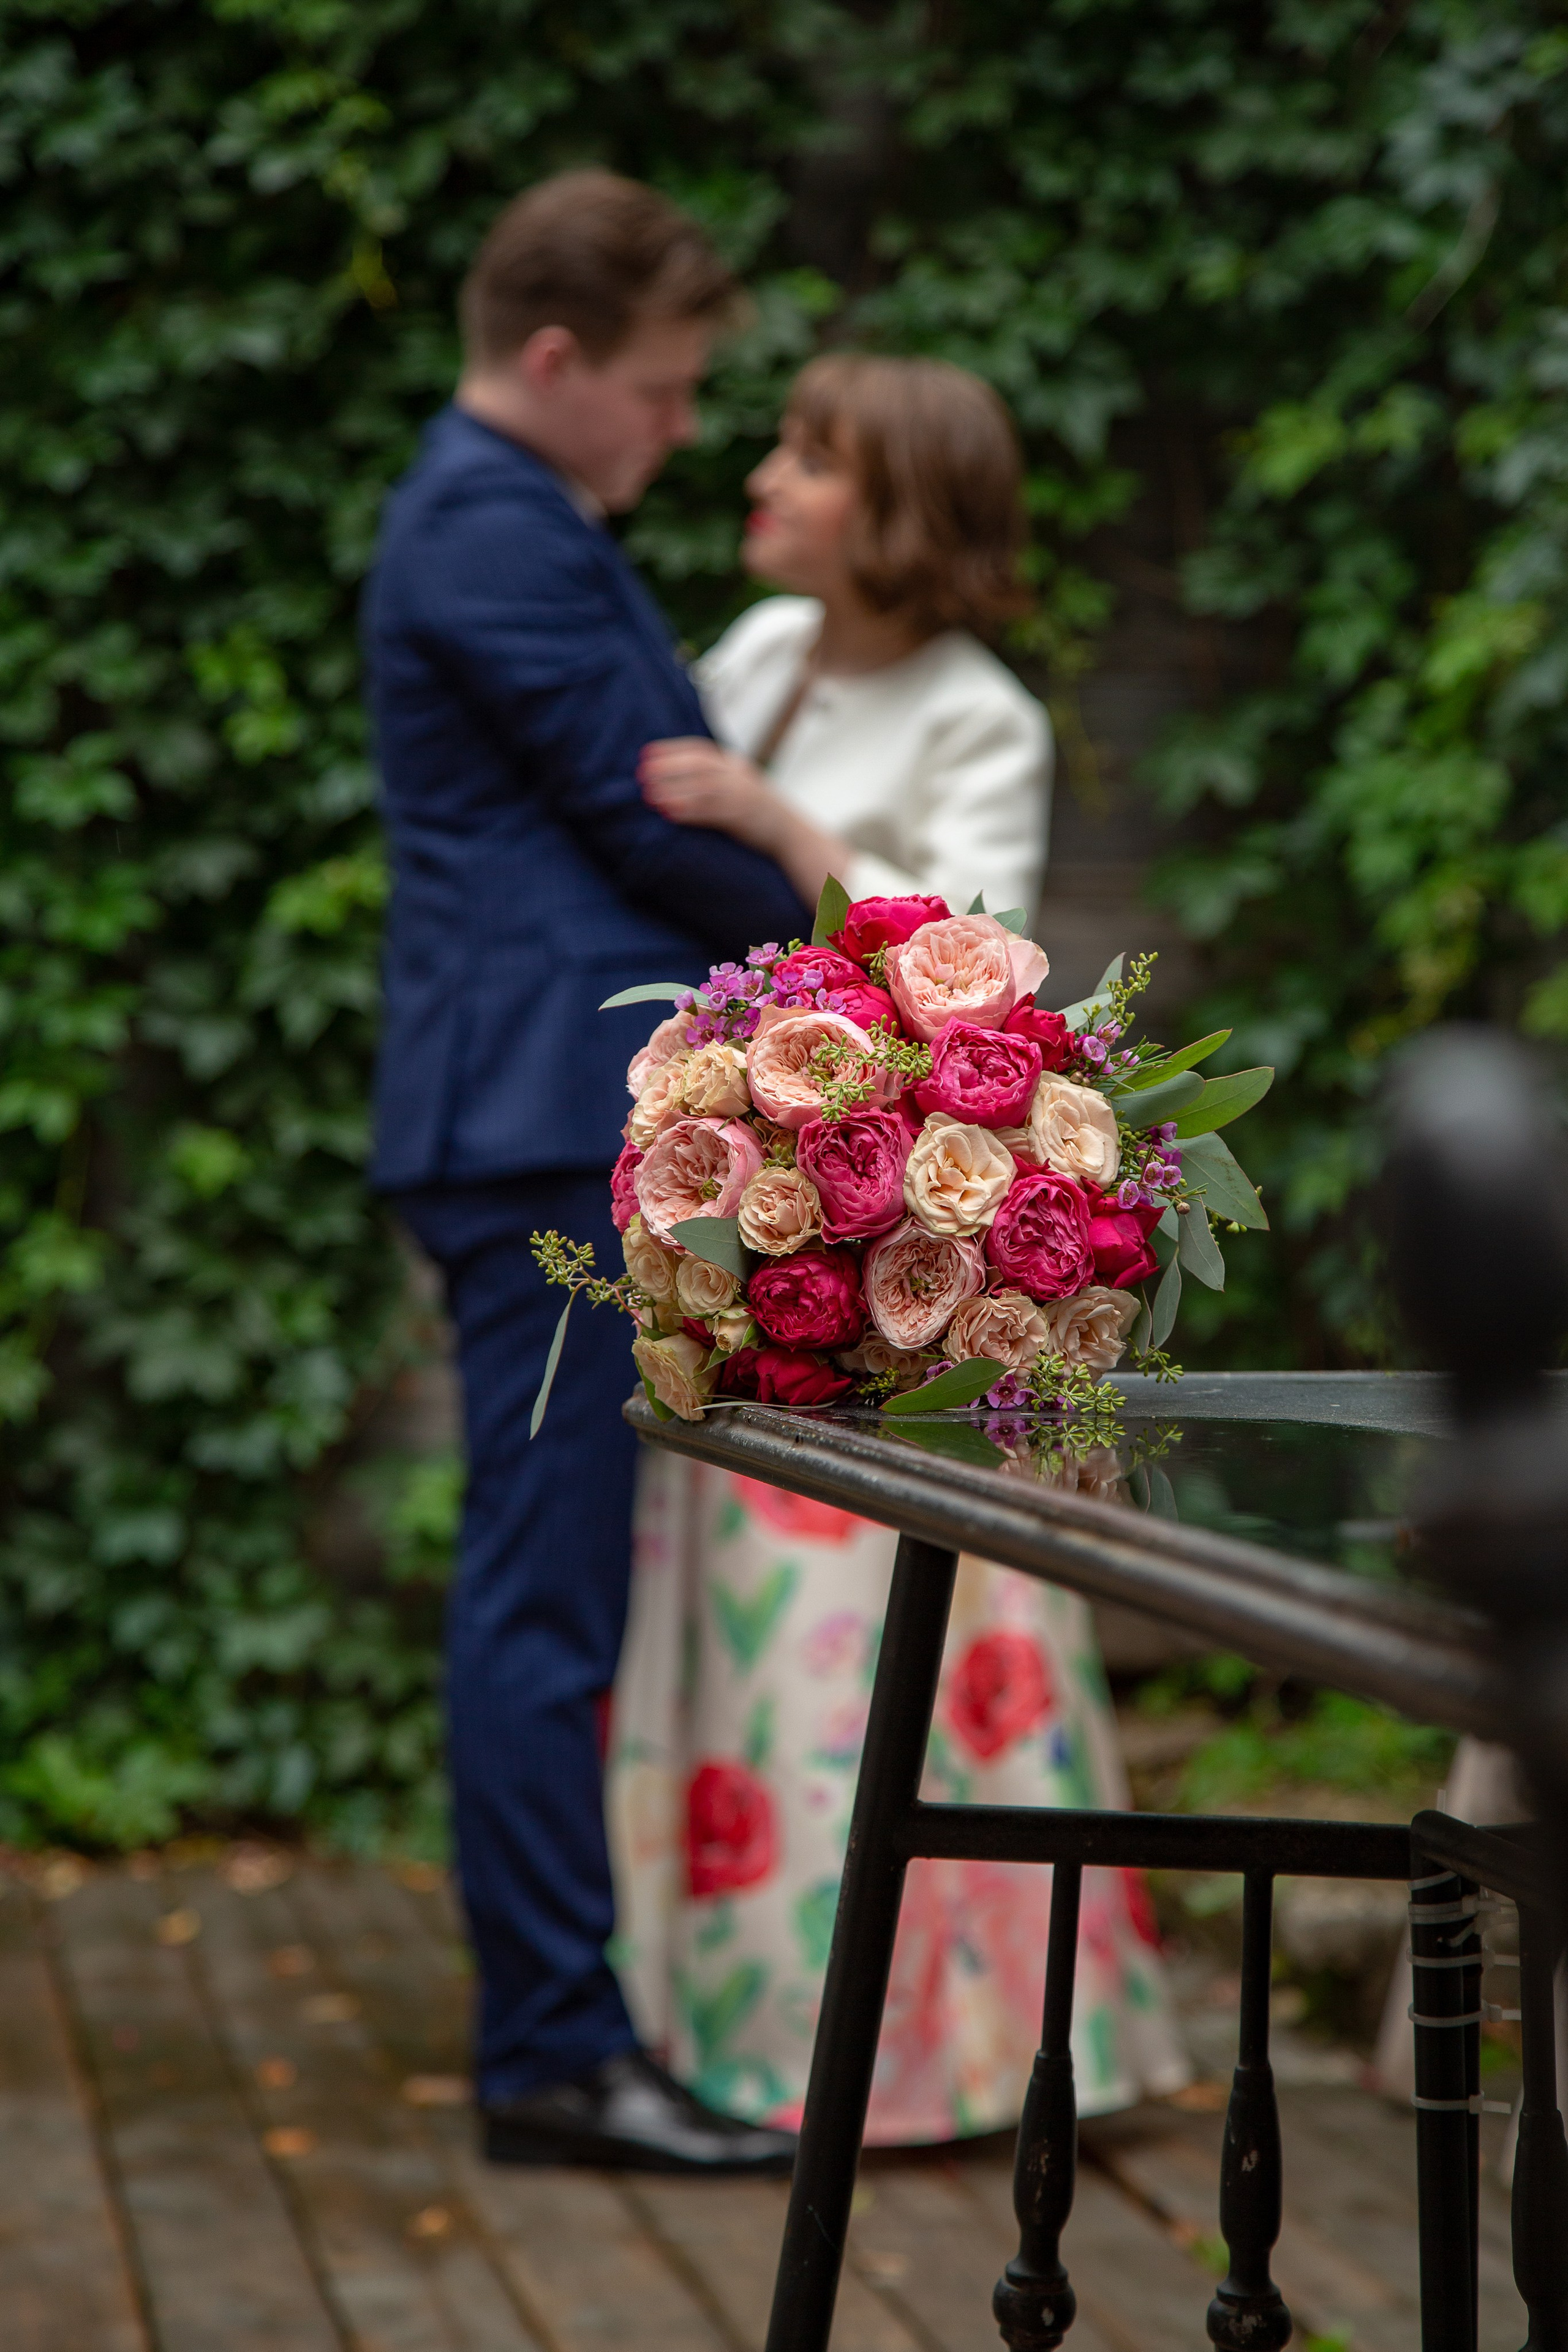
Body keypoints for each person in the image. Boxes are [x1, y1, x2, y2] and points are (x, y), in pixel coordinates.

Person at [607, 355, 1189, 2140]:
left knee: (895, 1641)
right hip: (751, 1247)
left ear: (902, 505)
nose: (764, 478)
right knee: (746, 1634)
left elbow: (988, 994)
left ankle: (954, 2057)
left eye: (811, 457)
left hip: (903, 1295)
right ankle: (740, 2037)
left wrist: (789, 830)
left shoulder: (980, 716)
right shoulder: (749, 655)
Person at [362, 169, 809, 2173]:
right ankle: (551, 2053)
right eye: (665, 384)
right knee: (541, 1610)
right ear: (556, 361)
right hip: (538, 1121)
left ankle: (564, 2027)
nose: (685, 424)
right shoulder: (490, 525)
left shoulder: (508, 512)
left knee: (551, 1601)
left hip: (538, 1106)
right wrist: (822, 888)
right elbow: (669, 825)